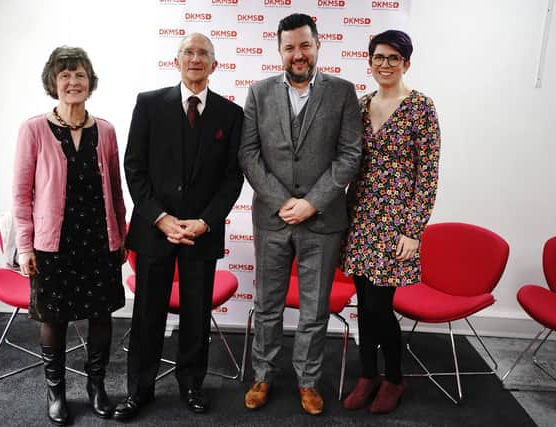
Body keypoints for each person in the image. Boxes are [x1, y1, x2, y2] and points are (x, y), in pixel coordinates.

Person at [113, 33, 244, 420]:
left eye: (204, 53)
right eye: (189, 51)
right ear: (177, 60)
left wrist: (205, 222)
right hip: (155, 230)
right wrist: (161, 217)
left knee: (196, 315)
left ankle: (192, 385)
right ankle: (139, 390)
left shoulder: (230, 114)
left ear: (215, 65)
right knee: (148, 315)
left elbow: (233, 177)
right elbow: (134, 168)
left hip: (201, 234)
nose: (196, 58)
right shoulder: (149, 104)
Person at [239, 13, 363, 416]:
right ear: (279, 50)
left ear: (317, 45)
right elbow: (249, 155)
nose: (298, 54)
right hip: (272, 218)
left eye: (304, 45)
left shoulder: (343, 93)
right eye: (289, 47)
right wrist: (280, 201)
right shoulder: (258, 93)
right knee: (268, 302)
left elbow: (350, 155)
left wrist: (313, 202)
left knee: (314, 307)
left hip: (323, 220)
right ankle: (263, 375)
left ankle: (308, 381)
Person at [12, 46, 127, 425]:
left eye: (79, 75)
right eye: (65, 76)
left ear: (89, 82)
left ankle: (97, 387)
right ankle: (56, 392)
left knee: (101, 315)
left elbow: (115, 186)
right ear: (53, 83)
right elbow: (21, 193)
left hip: (98, 239)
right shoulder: (33, 129)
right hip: (53, 243)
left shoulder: (106, 131)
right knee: (54, 317)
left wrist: (120, 237)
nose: (73, 82)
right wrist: (26, 246)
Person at [342, 29, 441, 414]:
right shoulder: (361, 104)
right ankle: (368, 375)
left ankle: (395, 379)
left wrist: (413, 231)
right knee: (365, 305)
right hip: (361, 216)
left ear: (406, 63)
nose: (385, 64)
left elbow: (427, 174)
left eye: (393, 58)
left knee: (381, 307)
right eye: (379, 57)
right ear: (369, 62)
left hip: (396, 220)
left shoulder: (420, 107)